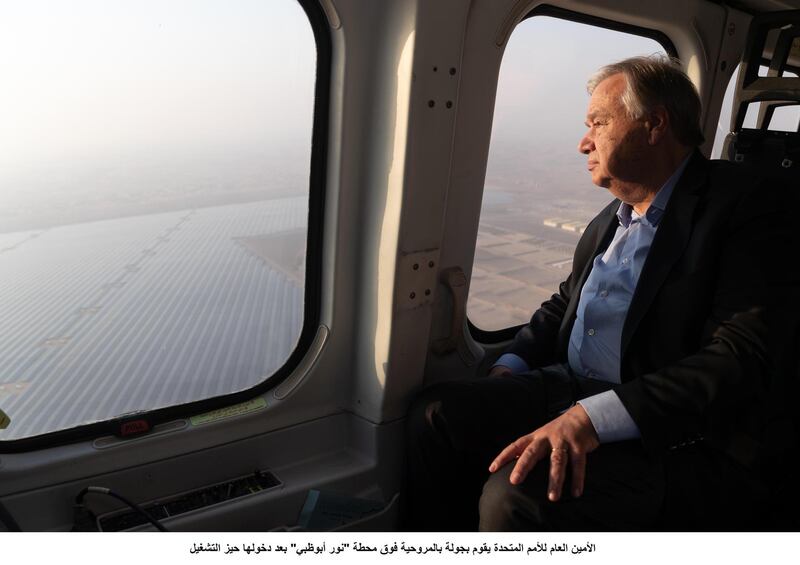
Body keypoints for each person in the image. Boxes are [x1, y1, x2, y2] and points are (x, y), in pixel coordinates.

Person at [405, 55, 796, 531]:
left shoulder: (748, 207)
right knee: (436, 415)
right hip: (570, 387)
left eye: (598, 123)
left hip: (672, 428)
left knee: (515, 497)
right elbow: (563, 303)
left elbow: (740, 357)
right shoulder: (613, 217)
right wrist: (510, 367)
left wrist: (592, 418)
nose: (582, 142)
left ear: (654, 125)